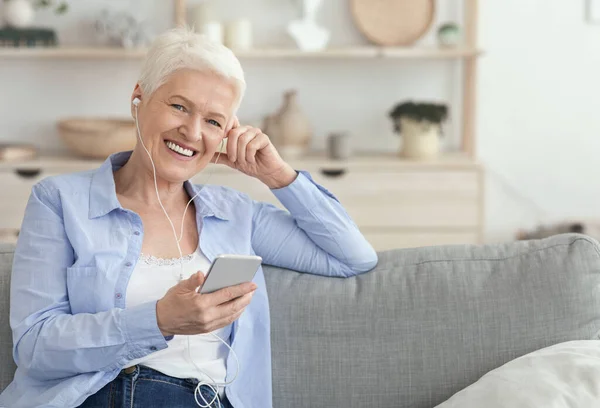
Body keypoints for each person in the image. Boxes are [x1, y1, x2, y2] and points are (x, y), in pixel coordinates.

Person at [0, 27, 378, 408]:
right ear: (139, 98)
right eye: (179, 106)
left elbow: (353, 256)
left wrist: (278, 176)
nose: (192, 131)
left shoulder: (236, 214)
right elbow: (34, 345)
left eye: (214, 122)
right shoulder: (60, 201)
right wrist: (159, 320)